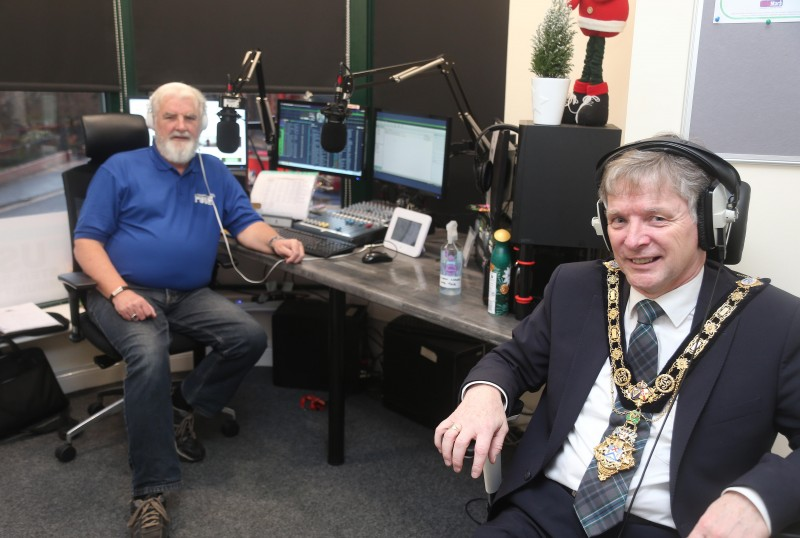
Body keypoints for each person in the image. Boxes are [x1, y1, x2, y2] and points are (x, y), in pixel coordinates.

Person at [435, 135, 800, 537]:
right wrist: (484, 393)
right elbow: (514, 359)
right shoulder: (576, 287)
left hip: (675, 527)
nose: (632, 240)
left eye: (658, 218)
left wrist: (758, 500)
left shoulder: (775, 322)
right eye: (618, 220)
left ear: (709, 221)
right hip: (546, 510)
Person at [73, 81, 304, 537]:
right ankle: (150, 494)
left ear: (202, 124)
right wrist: (119, 291)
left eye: (190, 118)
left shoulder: (212, 171)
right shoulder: (119, 169)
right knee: (149, 355)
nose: (180, 126)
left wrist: (275, 241)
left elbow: (245, 224)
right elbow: (86, 243)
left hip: (188, 295)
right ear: (154, 123)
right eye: (170, 117)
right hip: (124, 290)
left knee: (248, 336)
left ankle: (183, 406)